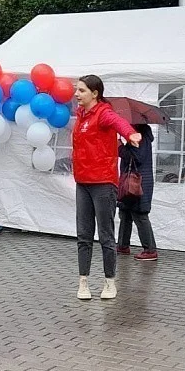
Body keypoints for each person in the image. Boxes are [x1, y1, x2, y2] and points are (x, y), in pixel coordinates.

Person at [72, 75, 141, 300]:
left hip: (102, 182)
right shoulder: (81, 115)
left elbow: (117, 122)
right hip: (83, 182)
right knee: (83, 234)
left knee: (105, 235)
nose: (76, 94)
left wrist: (129, 133)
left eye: (81, 90)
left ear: (95, 93)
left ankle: (110, 282)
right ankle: (83, 282)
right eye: (77, 90)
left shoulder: (103, 113)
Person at [117, 123, 158, 261]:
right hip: (132, 181)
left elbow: (137, 157)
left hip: (138, 183)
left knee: (140, 214)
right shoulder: (138, 136)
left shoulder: (140, 136)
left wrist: (120, 148)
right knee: (125, 213)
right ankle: (123, 245)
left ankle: (150, 249)